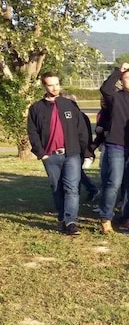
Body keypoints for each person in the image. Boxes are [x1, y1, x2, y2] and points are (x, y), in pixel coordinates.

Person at [27, 72, 89, 235]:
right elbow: (32, 132)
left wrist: (87, 152)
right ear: (44, 86)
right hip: (50, 155)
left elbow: (81, 130)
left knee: (72, 188)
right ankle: (62, 218)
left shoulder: (69, 105)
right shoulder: (36, 108)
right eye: (50, 85)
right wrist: (41, 153)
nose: (54, 88)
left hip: (71, 154)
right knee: (57, 187)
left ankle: (70, 221)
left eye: (56, 84)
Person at [98, 67, 129, 234]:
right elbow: (105, 88)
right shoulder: (115, 97)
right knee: (114, 183)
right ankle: (106, 217)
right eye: (128, 78)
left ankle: (125, 217)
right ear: (121, 81)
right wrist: (119, 70)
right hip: (117, 145)